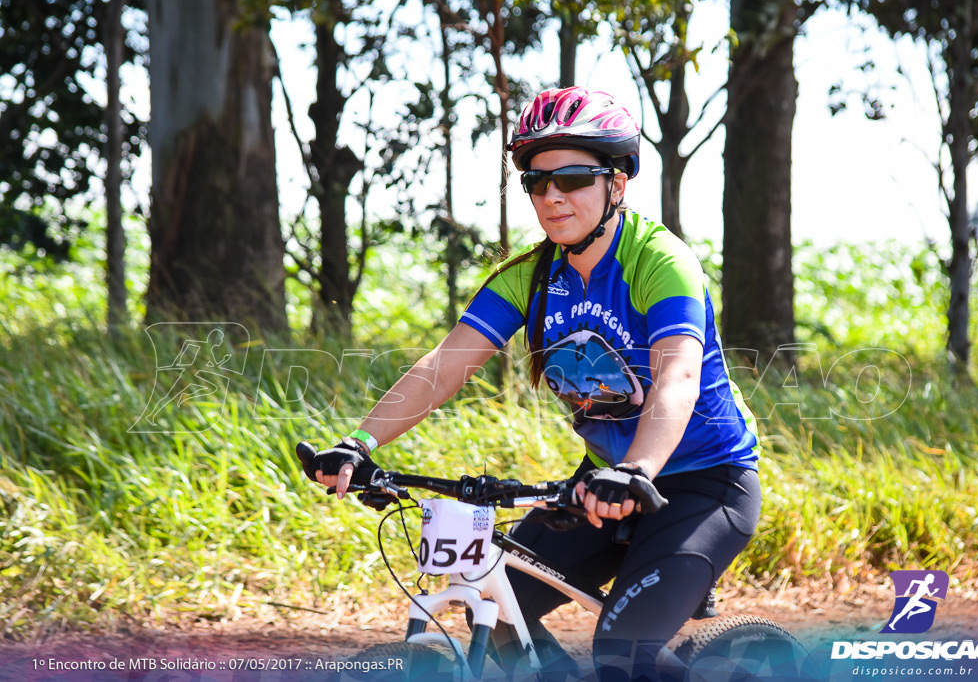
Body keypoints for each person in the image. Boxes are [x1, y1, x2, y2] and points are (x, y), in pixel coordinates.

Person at [298, 86, 761, 682]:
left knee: (622, 653)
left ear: (616, 184)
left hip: (704, 484)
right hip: (602, 486)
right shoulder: (532, 277)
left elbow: (678, 377)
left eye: (571, 179)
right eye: (538, 182)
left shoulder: (659, 260)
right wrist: (360, 444)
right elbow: (444, 365)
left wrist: (638, 470)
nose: (551, 197)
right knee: (494, 600)